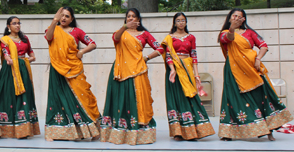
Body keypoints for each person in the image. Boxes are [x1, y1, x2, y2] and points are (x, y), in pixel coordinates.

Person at [218, 8, 292, 141]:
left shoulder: (250, 33)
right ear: (230, 18)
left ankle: (268, 129)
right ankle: (228, 132)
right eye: (234, 16)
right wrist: (232, 29)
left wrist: (258, 59)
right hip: (234, 70)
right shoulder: (224, 33)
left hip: (252, 68)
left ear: (243, 19)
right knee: (233, 99)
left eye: (239, 17)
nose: (236, 18)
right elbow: (228, 39)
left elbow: (263, 45)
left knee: (261, 97)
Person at [100, 8, 162, 145]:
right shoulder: (121, 33)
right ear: (125, 19)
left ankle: (139, 132)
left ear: (138, 20)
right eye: (129, 16)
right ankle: (119, 132)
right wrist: (124, 27)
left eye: (134, 16)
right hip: (121, 71)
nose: (131, 18)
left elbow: (161, 48)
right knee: (120, 101)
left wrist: (146, 58)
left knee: (138, 100)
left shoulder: (144, 34)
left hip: (138, 71)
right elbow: (115, 38)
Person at [44, 7, 101, 141]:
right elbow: (48, 37)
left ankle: (94, 129)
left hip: (74, 69)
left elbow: (92, 44)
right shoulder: (53, 28)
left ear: (72, 19)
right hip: (57, 70)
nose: (64, 18)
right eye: (62, 16)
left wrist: (82, 52)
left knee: (84, 97)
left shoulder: (77, 32)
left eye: (67, 16)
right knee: (58, 100)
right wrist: (54, 20)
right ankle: (60, 132)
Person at [161, 12, 215, 141]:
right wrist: (172, 70)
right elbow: (168, 56)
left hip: (187, 70)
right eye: (178, 20)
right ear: (174, 23)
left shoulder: (191, 37)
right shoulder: (169, 38)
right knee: (176, 99)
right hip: (174, 71)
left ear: (186, 22)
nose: (181, 22)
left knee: (191, 97)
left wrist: (196, 75)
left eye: (183, 20)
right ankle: (178, 132)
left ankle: (195, 130)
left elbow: (194, 56)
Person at [0, 16, 40, 139]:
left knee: (24, 96)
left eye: (19, 23)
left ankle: (23, 129)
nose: (17, 25)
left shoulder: (25, 39)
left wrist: (25, 60)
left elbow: (32, 55)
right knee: (7, 96)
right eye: (14, 23)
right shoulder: (5, 40)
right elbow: (6, 54)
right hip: (9, 71)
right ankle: (3, 128)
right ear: (8, 26)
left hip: (23, 70)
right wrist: (10, 59)